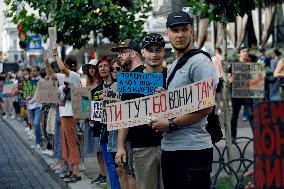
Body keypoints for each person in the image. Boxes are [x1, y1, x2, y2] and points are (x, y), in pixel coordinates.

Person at [148, 11, 218, 188]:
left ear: (192, 32)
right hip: (171, 148)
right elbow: (183, 102)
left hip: (192, 150)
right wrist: (166, 97)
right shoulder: (174, 66)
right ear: (167, 33)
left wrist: (170, 124)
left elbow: (205, 107)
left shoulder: (200, 62)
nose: (180, 35)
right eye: (175, 30)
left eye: (184, 29)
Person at [115, 33, 167, 189]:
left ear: (163, 52)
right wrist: (120, 146)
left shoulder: (171, 77)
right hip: (142, 147)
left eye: (158, 50)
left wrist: (168, 98)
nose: (154, 54)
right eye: (149, 50)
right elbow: (125, 114)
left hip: (169, 144)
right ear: (142, 52)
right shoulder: (131, 79)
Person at [45, 51, 81, 183]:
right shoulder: (64, 77)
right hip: (64, 113)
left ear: (69, 65)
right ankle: (71, 170)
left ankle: (76, 172)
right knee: (65, 143)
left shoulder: (75, 76)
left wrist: (55, 55)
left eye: (65, 64)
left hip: (71, 114)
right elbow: (51, 74)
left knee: (72, 143)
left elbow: (61, 69)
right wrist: (46, 62)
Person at [112, 38, 144, 189]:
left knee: (135, 179)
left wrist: (120, 145)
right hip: (134, 139)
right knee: (129, 175)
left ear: (133, 53)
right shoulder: (127, 78)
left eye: (122, 52)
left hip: (142, 142)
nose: (120, 56)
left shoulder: (143, 75)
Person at [82, 59, 107, 184]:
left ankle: (106, 175)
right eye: (90, 68)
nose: (92, 70)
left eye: (94, 67)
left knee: (102, 148)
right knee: (97, 150)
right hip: (90, 120)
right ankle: (102, 173)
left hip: (101, 120)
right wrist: (86, 113)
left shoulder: (102, 82)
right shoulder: (87, 83)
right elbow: (85, 102)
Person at [228, 47, 253, 139]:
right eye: (244, 51)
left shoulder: (251, 64)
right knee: (235, 115)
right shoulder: (234, 64)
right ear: (240, 53)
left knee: (251, 115)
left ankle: (257, 136)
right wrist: (233, 80)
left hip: (247, 93)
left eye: (247, 51)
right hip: (236, 94)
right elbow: (229, 78)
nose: (246, 53)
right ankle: (233, 136)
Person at [28, 66, 43, 149]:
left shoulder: (41, 80)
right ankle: (38, 142)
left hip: (38, 105)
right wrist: (27, 97)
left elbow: (39, 94)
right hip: (31, 106)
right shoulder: (30, 81)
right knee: (35, 124)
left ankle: (39, 142)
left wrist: (32, 99)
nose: (33, 72)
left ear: (38, 71)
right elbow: (28, 93)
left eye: (34, 71)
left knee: (37, 124)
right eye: (32, 71)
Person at [212, 47, 224, 114]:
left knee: (214, 93)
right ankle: (219, 107)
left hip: (214, 77)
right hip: (221, 77)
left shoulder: (212, 58)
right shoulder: (222, 58)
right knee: (219, 93)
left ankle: (216, 107)